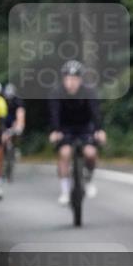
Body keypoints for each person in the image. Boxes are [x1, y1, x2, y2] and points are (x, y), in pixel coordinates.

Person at [48, 60, 106, 204]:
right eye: (68, 79)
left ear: (80, 80)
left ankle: (89, 180)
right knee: (65, 154)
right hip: (65, 129)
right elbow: (54, 113)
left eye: (74, 79)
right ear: (63, 79)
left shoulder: (89, 92)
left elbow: (95, 112)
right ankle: (65, 191)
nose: (71, 82)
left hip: (85, 127)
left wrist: (99, 130)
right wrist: (55, 131)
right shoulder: (57, 92)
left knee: (90, 153)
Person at [2, 83, 26, 178]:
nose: (9, 100)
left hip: (13, 121)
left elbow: (20, 114)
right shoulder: (1, 101)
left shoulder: (18, 101)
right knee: (2, 139)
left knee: (17, 132)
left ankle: (15, 147)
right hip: (3, 122)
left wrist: (19, 126)